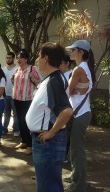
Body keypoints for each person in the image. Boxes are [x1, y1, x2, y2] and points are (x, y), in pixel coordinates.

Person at [26, 42, 73, 192]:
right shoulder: (52, 79)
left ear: (45, 58)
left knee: (49, 185)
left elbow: (67, 111)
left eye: (39, 56)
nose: (38, 60)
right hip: (46, 143)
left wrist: (51, 133)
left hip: (48, 143)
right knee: (48, 183)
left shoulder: (54, 81)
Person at [64, 40, 96, 192]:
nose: (70, 52)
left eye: (73, 50)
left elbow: (68, 92)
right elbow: (76, 90)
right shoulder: (85, 67)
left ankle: (79, 184)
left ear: (81, 52)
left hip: (79, 114)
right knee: (75, 149)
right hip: (81, 113)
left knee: (77, 150)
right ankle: (75, 177)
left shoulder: (78, 69)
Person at [12, 49, 42, 155]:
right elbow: (13, 82)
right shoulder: (17, 70)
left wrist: (33, 79)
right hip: (16, 98)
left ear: (26, 59)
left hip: (27, 99)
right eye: (18, 58)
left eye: (21, 57)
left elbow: (41, 83)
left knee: (25, 121)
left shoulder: (32, 69)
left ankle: (30, 145)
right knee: (19, 121)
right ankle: (24, 141)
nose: (18, 60)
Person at [2, 52, 19, 136]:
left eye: (10, 58)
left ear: (13, 59)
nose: (8, 59)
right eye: (7, 58)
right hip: (5, 95)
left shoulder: (17, 68)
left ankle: (16, 130)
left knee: (16, 114)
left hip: (15, 95)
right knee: (6, 113)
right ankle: (4, 129)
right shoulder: (3, 69)